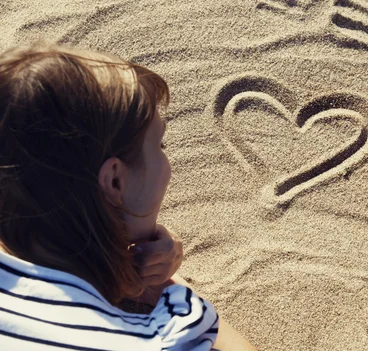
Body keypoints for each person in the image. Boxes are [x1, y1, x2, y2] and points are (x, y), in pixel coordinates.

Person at [0, 43, 256, 350]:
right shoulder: (147, 341)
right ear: (115, 181)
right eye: (161, 146)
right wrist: (162, 285)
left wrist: (116, 252)